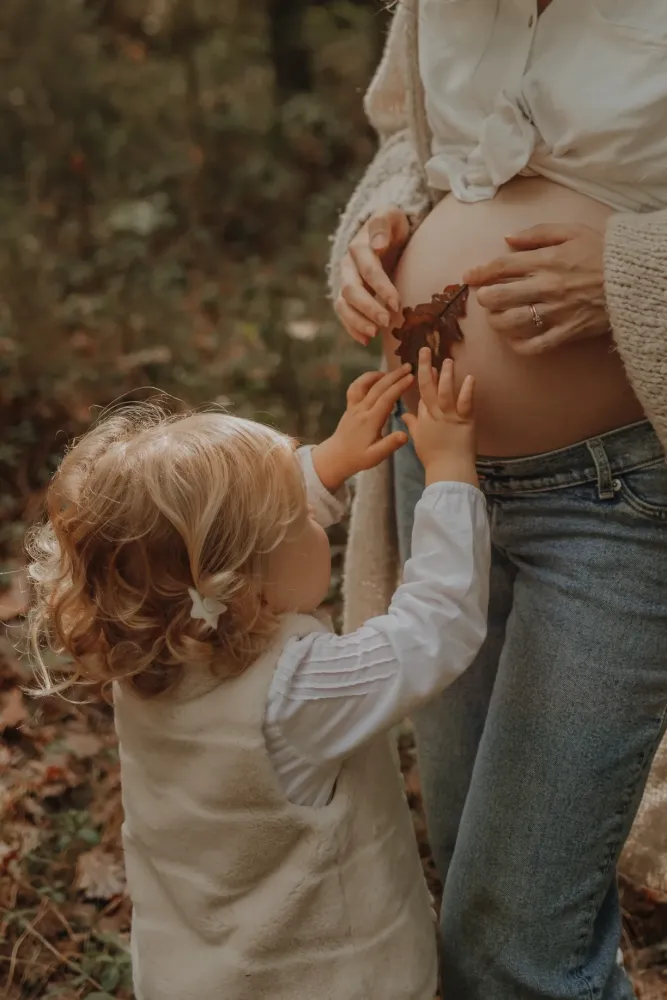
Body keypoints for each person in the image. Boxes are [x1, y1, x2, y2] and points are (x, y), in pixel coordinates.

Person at [329, 2, 667, 997]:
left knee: (511, 946)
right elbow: (408, 142)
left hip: (615, 502)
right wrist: (373, 234)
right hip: (440, 481)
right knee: (486, 889)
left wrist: (632, 276)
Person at [27, 357, 489, 1000]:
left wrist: (327, 461)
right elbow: (437, 627)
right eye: (298, 517)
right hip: (327, 979)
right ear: (241, 581)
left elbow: (211, 538)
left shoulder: (148, 650)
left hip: (201, 974)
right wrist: (448, 474)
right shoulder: (299, 692)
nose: (312, 521)